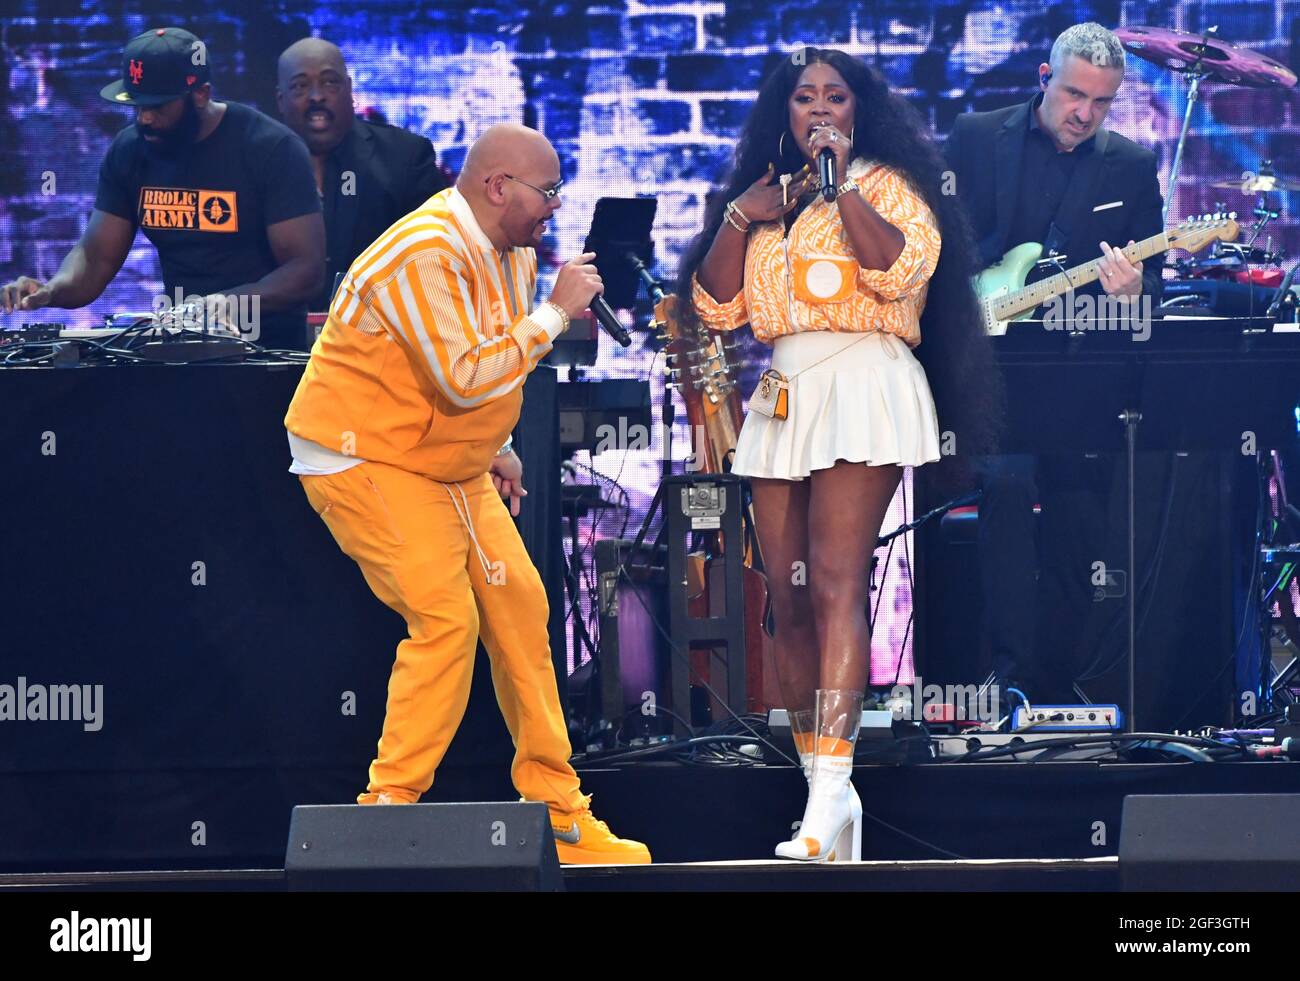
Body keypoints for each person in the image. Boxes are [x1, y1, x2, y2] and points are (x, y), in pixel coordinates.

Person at [284, 123, 651, 865]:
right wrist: (556, 313)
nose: (554, 207)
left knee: (519, 602)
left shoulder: (513, 252)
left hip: (441, 455)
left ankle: (559, 812)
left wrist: (498, 449)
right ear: (497, 187)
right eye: (547, 192)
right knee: (445, 616)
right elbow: (461, 377)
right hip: (363, 452)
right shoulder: (425, 250)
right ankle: (384, 816)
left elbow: (480, 369)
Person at [681, 48, 994, 862]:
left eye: (835, 97)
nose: (819, 109)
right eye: (804, 98)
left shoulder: (888, 185)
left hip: (862, 381)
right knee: (781, 600)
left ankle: (829, 792)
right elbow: (716, 309)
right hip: (784, 394)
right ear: (783, 113)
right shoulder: (766, 204)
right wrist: (739, 217)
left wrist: (840, 181)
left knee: (832, 582)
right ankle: (824, 784)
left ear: (859, 111)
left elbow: (897, 272)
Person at [944, 22, 1166, 703]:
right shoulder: (977, 137)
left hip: (1076, 372)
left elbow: (1152, 296)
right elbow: (937, 249)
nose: (1084, 113)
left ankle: (1060, 684)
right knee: (1007, 490)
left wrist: (1133, 289)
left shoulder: (1128, 166)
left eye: (1102, 102)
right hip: (990, 372)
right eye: (1075, 94)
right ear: (1046, 78)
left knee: (1079, 519)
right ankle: (1013, 677)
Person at [1, 28, 324, 350]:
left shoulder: (271, 148)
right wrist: (51, 290)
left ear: (200, 94)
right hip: (182, 346)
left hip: (269, 351)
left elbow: (305, 270)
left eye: (158, 106)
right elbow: (96, 258)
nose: (145, 119)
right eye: (137, 105)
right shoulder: (129, 150)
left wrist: (227, 303)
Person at [275, 37, 450, 313]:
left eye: (330, 82)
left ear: (349, 90)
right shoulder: (256, 162)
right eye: (300, 86)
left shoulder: (405, 157)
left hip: (378, 338)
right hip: (275, 342)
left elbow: (438, 259)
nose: (316, 96)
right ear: (281, 101)